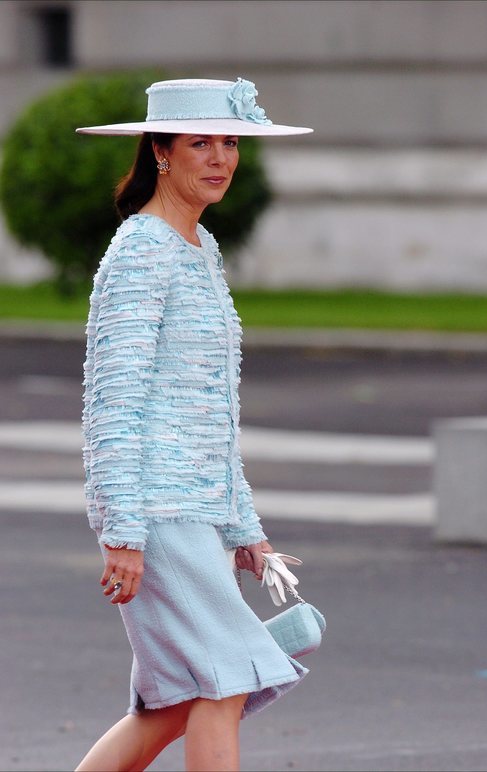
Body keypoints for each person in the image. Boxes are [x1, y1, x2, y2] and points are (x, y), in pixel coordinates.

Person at [75, 77, 313, 772]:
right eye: (200, 141)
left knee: (174, 704)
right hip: (156, 513)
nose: (220, 157)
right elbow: (113, 402)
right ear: (161, 153)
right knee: (225, 679)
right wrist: (121, 530)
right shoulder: (142, 250)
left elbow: (211, 413)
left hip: (198, 514)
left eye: (231, 141)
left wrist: (244, 528)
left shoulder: (199, 250)